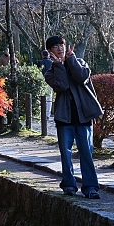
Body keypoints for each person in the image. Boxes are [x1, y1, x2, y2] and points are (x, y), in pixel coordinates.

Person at [43, 35, 103, 198]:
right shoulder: (50, 73)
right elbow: (61, 85)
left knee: (86, 152)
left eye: (61, 45)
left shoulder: (79, 62)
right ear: (50, 52)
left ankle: (91, 187)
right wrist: (59, 65)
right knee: (66, 153)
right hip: (64, 118)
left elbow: (82, 77)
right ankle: (69, 185)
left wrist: (71, 60)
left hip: (83, 116)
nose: (60, 49)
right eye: (55, 47)